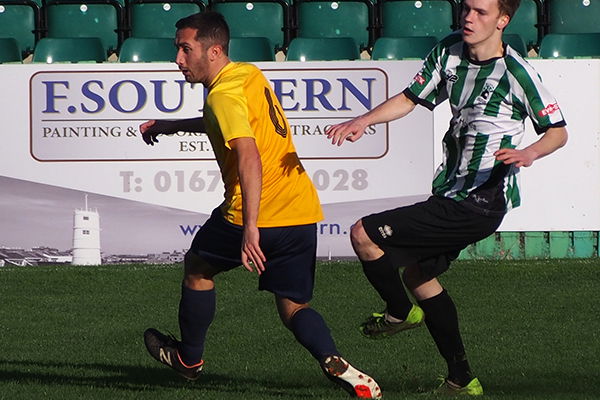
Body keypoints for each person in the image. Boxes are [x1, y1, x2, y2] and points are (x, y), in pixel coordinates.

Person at [325, 0, 568, 396]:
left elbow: (557, 131)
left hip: (480, 201)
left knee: (363, 234)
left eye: (482, 12)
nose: (469, 18)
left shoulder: (517, 73)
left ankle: (399, 313)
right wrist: (362, 120)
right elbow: (410, 97)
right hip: (452, 192)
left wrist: (530, 153)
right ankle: (461, 379)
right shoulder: (449, 50)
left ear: (503, 21)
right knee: (420, 276)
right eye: (467, 9)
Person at [139, 11, 381, 399]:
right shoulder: (247, 75)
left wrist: (250, 226)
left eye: (186, 49)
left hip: (250, 215)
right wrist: (171, 126)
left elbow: (248, 154)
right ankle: (333, 359)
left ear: (214, 51)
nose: (178, 60)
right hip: (300, 209)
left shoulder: (221, 95)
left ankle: (188, 360)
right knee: (294, 306)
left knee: (198, 268)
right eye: (177, 50)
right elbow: (225, 122)